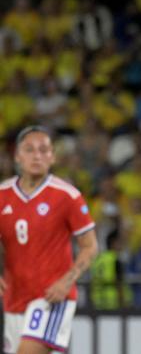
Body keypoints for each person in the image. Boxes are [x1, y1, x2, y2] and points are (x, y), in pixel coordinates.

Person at [0, 126, 98, 354]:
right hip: (14, 298)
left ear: (52, 156)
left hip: (51, 297)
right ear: (17, 156)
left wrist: (67, 281)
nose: (37, 156)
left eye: (44, 150)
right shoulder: (2, 194)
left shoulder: (67, 196)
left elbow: (90, 245)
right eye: (29, 150)